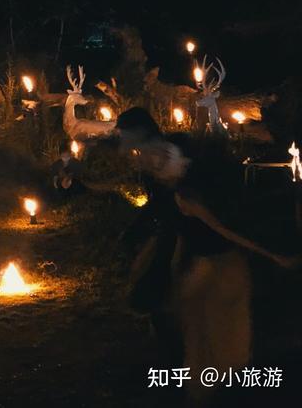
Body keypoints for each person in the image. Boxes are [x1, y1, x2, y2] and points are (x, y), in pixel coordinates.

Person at [116, 107, 299, 405]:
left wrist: (271, 255)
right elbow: (167, 217)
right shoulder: (159, 177)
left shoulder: (193, 177)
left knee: (224, 346)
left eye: (131, 142)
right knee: (197, 340)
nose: (131, 152)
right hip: (196, 261)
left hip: (222, 267)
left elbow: (225, 226)